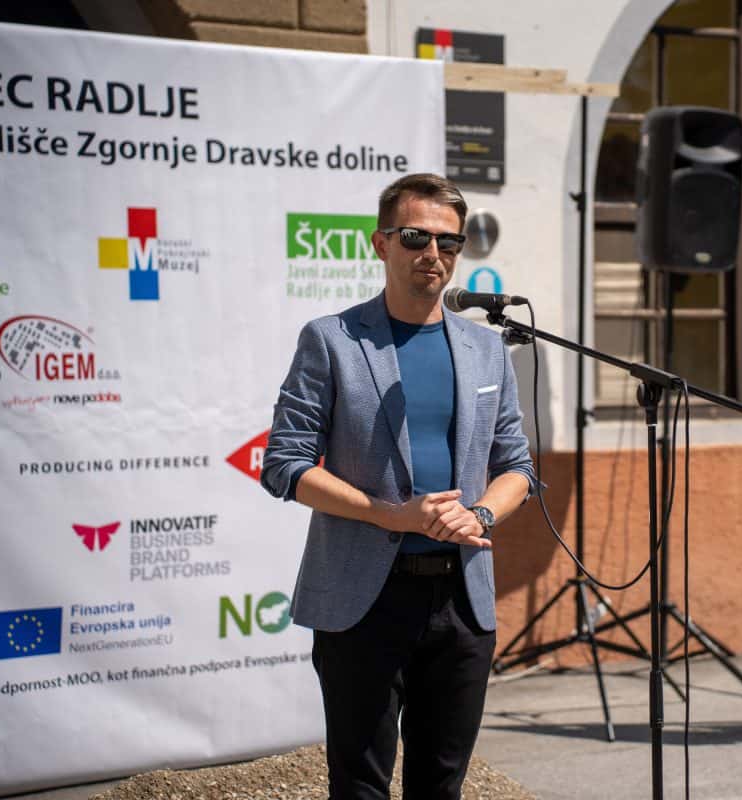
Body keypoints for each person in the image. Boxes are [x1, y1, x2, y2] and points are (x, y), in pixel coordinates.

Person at [261, 172, 534, 799]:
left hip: (461, 600)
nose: (432, 253)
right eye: (415, 237)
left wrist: (480, 516)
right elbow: (285, 464)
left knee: (441, 787)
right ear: (381, 243)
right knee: (360, 787)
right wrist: (390, 514)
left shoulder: (487, 349)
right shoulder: (331, 339)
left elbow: (517, 467)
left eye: (448, 241)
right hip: (364, 600)